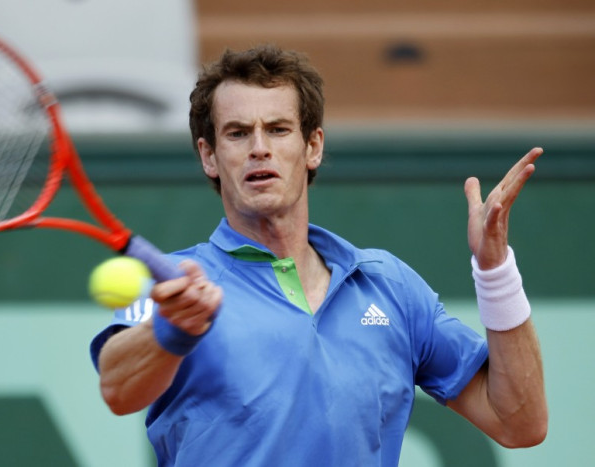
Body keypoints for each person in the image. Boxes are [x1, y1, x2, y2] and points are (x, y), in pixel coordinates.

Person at [90, 45, 547, 466]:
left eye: (278, 129)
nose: (259, 148)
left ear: (313, 146)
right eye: (237, 133)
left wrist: (495, 270)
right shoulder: (176, 286)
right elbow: (116, 388)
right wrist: (172, 329)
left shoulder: (389, 286)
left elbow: (519, 423)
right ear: (209, 156)